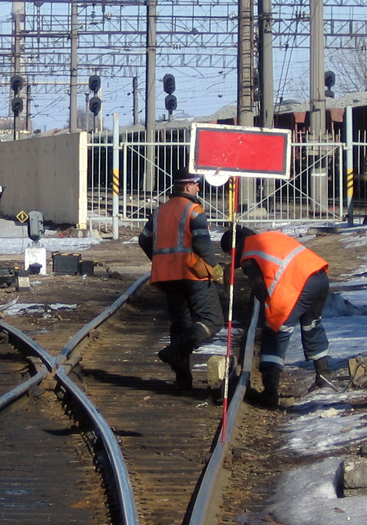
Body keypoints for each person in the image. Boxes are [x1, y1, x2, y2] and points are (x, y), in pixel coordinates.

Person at [221, 226, 333, 409]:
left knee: (275, 331)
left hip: (297, 284)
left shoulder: (248, 255)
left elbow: (259, 289)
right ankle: (324, 375)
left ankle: (270, 393)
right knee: (312, 325)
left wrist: (269, 313)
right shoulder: (268, 237)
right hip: (319, 276)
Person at [139, 167, 224, 389]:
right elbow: (202, 244)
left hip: (166, 276)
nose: (198, 187)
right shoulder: (194, 211)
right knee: (211, 320)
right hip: (191, 273)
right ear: (188, 186)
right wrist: (215, 268)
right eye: (196, 183)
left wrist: (158, 259)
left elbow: (144, 240)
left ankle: (183, 379)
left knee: (181, 323)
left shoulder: (159, 212)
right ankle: (174, 351)